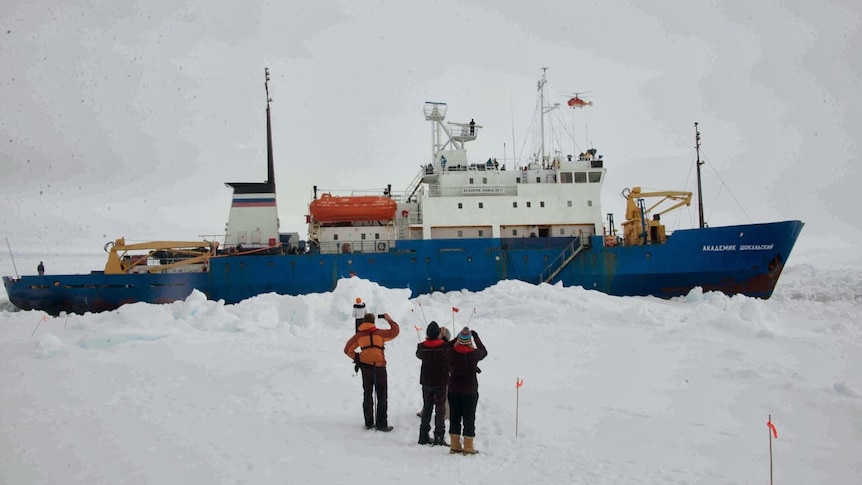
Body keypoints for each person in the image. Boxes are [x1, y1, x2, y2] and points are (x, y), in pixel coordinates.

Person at [344, 313, 401, 432]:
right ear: (373, 322)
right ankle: (381, 423)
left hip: (366, 368)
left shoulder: (359, 336)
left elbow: (347, 349)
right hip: (379, 367)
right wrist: (389, 319)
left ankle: (368, 422)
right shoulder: (380, 334)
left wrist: (358, 357)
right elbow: (395, 332)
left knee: (367, 394)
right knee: (381, 395)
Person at [446, 326, 487, 454]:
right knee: (469, 418)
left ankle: (455, 445)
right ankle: (468, 447)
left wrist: (457, 338)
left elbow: (444, 347)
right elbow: (484, 351)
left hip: (453, 389)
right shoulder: (474, 354)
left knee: (455, 417)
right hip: (470, 391)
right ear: (469, 341)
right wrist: (475, 337)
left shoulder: (452, 352)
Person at [415, 321, 450, 446]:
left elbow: (419, 354)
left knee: (427, 408)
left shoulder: (422, 347)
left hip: (427, 382)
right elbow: (449, 347)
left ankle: (423, 436)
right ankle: (439, 437)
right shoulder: (444, 347)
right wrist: (444, 337)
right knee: (440, 410)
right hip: (441, 382)